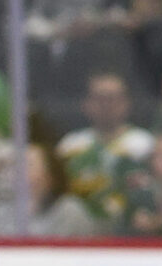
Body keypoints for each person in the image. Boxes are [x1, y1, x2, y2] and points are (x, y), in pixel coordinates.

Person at [55, 70, 156, 228]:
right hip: (81, 228)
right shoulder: (70, 145)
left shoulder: (145, 144)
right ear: (86, 103)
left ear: (126, 103)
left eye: (113, 98)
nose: (106, 105)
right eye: (99, 98)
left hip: (129, 227)